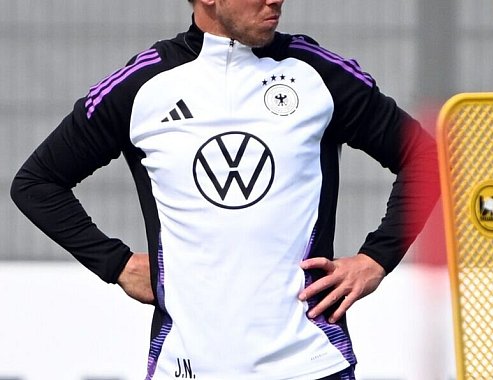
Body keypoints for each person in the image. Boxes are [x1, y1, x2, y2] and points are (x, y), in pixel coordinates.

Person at [10, 0, 438, 378]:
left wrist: (376, 259)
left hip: (311, 365)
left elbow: (427, 159)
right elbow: (36, 183)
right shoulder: (143, 85)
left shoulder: (317, 73)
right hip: (184, 368)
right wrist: (116, 263)